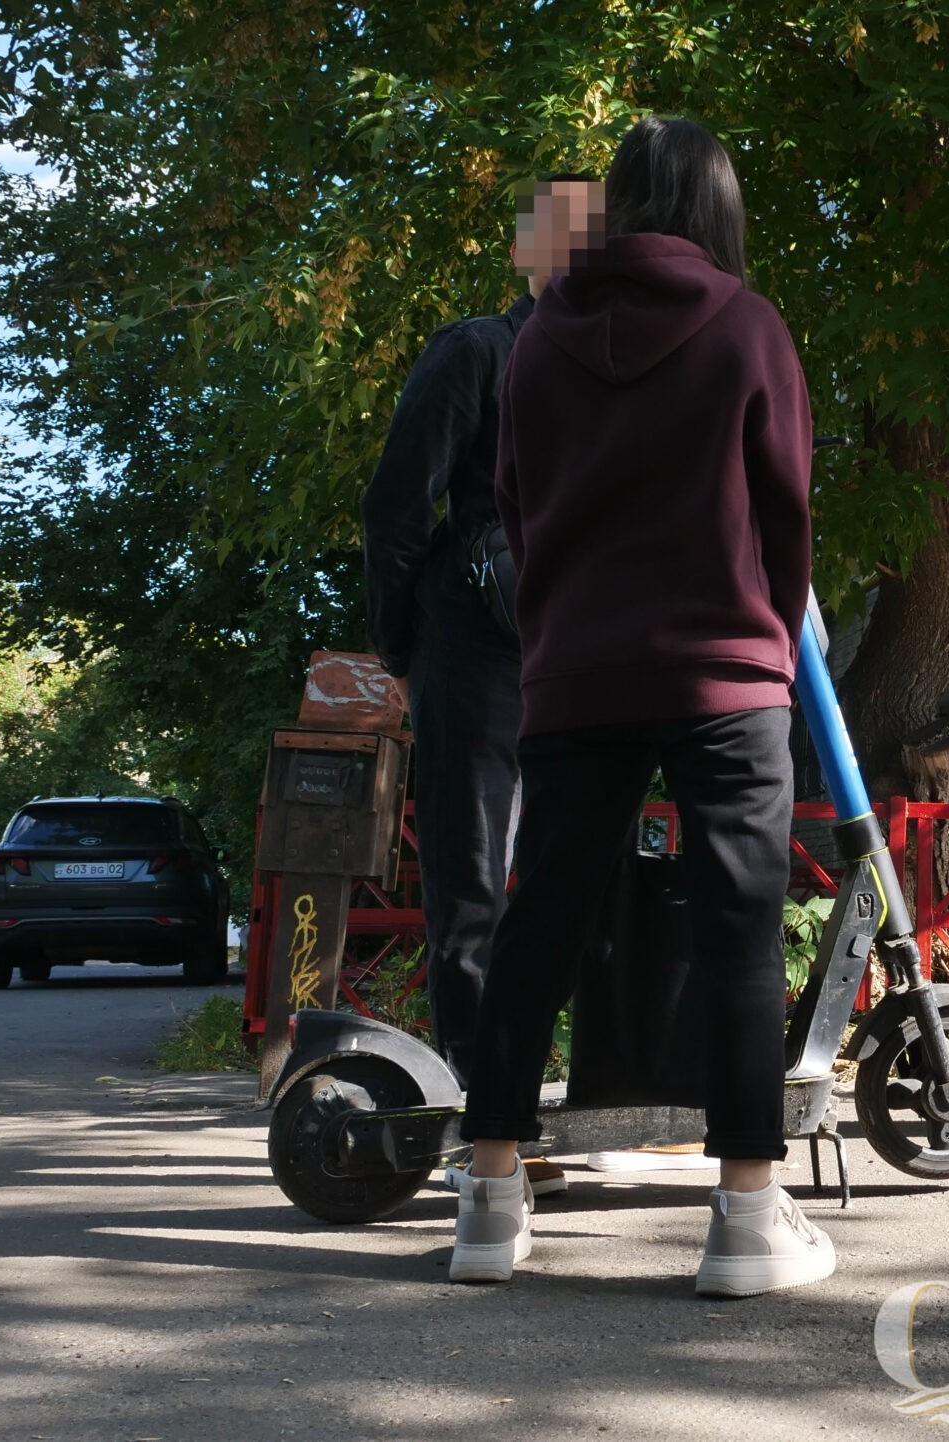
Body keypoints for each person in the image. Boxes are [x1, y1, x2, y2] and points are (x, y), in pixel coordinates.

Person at [447, 115, 830, 1296]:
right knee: (738, 927)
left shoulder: (535, 346)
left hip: (576, 671)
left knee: (540, 922)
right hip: (724, 669)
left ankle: (491, 1197)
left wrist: (561, 621)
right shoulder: (748, 326)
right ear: (719, 209)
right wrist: (767, 623)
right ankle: (745, 1221)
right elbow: (784, 508)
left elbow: (513, 505)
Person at [359, 175, 599, 1203]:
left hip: (582, 656)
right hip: (477, 653)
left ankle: (549, 1099)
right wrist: (403, 653)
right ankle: (478, 1111)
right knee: (469, 889)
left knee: (566, 888)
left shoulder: (611, 375)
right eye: (565, 233)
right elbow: (396, 507)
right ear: (527, 252)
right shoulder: (476, 352)